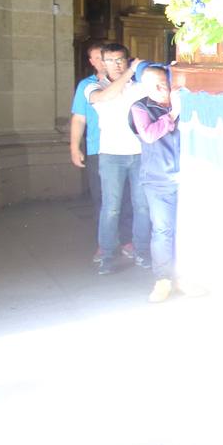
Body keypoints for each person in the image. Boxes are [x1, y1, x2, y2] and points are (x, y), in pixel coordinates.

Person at [87, 43, 151, 275]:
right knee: (111, 208)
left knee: (142, 206)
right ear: (103, 63)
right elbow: (105, 97)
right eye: (110, 61)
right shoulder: (93, 86)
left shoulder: (138, 86)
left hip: (139, 154)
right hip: (112, 155)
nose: (116, 65)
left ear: (126, 60)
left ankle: (142, 252)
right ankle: (106, 254)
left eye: (120, 60)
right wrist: (129, 72)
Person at [129, 66, 184, 303]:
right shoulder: (139, 108)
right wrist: (172, 115)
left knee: (186, 229)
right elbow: (149, 134)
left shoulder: (179, 101)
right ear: (146, 88)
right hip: (158, 179)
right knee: (163, 230)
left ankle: (184, 277)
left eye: (165, 84)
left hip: (185, 176)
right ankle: (163, 280)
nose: (163, 90)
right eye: (156, 86)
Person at [70, 40, 112, 261]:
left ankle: (127, 240)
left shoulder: (124, 81)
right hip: (98, 147)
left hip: (125, 147)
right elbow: (79, 118)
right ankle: (103, 243)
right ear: (91, 61)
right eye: (95, 58)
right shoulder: (86, 85)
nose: (100, 62)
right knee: (100, 197)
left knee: (127, 197)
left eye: (102, 57)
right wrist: (74, 147)